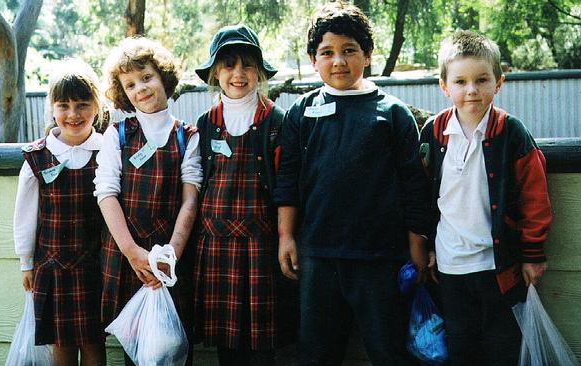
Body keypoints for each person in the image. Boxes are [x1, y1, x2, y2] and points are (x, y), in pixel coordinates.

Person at [274, 2, 431, 365]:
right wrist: (286, 236)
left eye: (349, 51)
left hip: (380, 258)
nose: (339, 62)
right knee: (316, 353)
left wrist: (417, 245)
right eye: (327, 53)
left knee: (388, 351)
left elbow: (413, 185)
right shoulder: (302, 113)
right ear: (313, 59)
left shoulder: (392, 114)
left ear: (368, 55)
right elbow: (289, 179)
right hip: (317, 257)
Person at [419, 30, 553, 365]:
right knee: (462, 348)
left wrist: (532, 253)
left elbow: (534, 197)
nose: (472, 90)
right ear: (444, 86)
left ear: (499, 82)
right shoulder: (433, 133)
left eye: (482, 80)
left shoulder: (511, 133)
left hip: (499, 266)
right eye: (460, 81)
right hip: (449, 266)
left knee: (502, 347)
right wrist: (428, 249)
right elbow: (422, 196)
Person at [94, 37, 202, 366]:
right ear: (122, 93)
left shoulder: (188, 135)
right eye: (130, 84)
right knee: (137, 350)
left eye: (146, 77)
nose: (140, 88)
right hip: (128, 258)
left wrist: (170, 255)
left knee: (175, 343)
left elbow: (190, 199)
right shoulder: (118, 135)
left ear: (163, 77)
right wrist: (133, 253)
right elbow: (106, 193)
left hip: (171, 258)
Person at [192, 24, 294, 366]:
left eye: (247, 64)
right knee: (226, 346)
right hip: (216, 246)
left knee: (261, 348)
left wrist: (285, 238)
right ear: (215, 72)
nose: (238, 73)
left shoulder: (276, 121)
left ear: (260, 72)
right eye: (229, 64)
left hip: (260, 247)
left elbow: (286, 188)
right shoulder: (205, 124)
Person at [13, 59, 107, 365]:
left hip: (96, 266)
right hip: (52, 267)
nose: (72, 114)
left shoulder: (107, 151)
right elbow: (26, 216)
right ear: (52, 108)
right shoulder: (38, 156)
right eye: (63, 105)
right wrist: (27, 262)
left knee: (94, 344)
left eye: (82, 105)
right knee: (61, 345)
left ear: (97, 107)